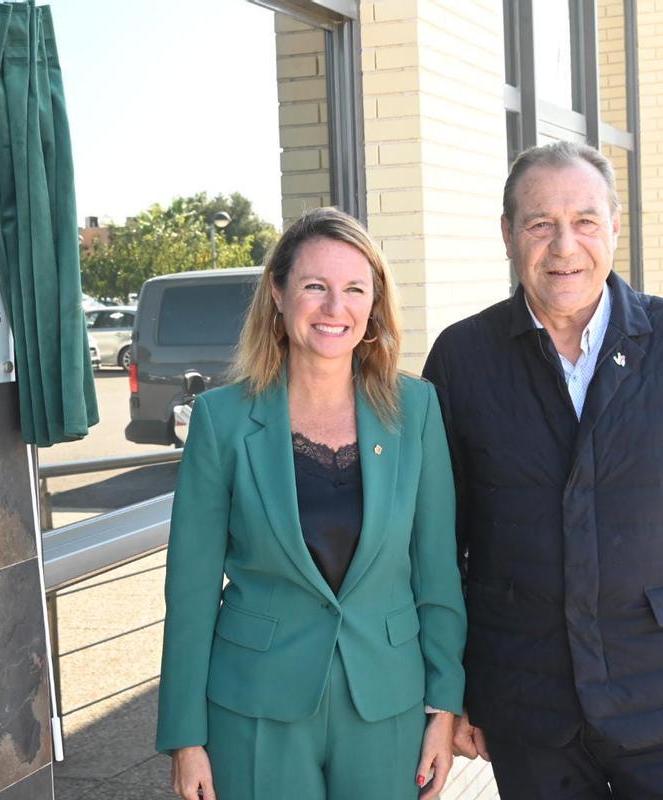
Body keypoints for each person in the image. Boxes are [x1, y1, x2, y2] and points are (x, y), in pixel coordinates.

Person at [422, 141, 663, 799]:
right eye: (540, 224)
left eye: (585, 221)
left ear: (615, 228)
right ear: (508, 236)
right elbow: (436, 551)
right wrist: (450, 690)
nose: (564, 245)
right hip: (527, 713)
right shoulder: (462, 358)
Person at [156, 207, 466, 800]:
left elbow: (437, 574)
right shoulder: (221, 420)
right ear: (278, 293)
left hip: (386, 703)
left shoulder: (416, 410)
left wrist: (444, 707)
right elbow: (191, 588)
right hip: (255, 706)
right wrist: (185, 737)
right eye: (314, 287)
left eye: (354, 289)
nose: (334, 308)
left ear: (374, 303)